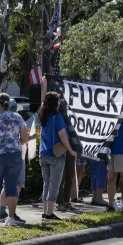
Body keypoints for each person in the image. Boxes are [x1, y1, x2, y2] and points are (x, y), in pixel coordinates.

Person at [0, 93, 33, 227]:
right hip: (14, 155)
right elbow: (25, 138)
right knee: (12, 187)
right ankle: (11, 218)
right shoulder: (18, 117)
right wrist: (15, 142)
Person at [38, 91, 77, 220]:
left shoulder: (42, 115)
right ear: (56, 102)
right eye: (59, 100)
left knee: (46, 183)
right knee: (54, 184)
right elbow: (62, 136)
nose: (60, 102)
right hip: (56, 155)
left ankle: (45, 212)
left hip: (43, 153)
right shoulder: (57, 116)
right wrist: (71, 150)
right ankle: (49, 213)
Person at [0, 99, 30, 223]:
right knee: (16, 186)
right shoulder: (17, 119)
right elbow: (22, 139)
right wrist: (30, 138)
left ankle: (2, 213)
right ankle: (12, 214)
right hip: (16, 157)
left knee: (6, 186)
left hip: (3, 157)